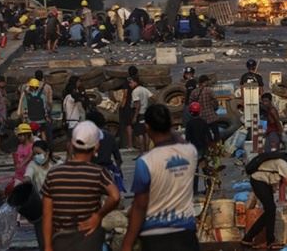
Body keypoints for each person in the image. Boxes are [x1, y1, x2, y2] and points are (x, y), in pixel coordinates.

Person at [121, 104, 200, 251]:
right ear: (170, 124)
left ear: (147, 127)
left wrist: (127, 243)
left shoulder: (145, 162)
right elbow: (180, 140)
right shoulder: (190, 152)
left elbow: (140, 205)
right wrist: (168, 127)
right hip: (186, 233)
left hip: (155, 236)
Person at [42, 121, 121, 251]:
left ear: (71, 145)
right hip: (89, 239)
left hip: (62, 240)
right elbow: (115, 196)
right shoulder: (98, 172)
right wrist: (98, 215)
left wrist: (48, 246)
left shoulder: (53, 173)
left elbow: (47, 214)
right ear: (96, 147)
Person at [240, 144, 287, 250]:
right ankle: (269, 241)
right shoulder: (283, 164)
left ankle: (248, 238)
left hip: (267, 183)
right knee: (271, 209)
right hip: (258, 180)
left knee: (270, 211)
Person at [89, 110, 125, 193]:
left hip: (92, 170)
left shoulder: (88, 137)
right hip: (108, 169)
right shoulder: (110, 137)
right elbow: (118, 158)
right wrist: (118, 171)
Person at [185, 102, 212, 195]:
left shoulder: (189, 124)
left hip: (194, 149)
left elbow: (187, 138)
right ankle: (209, 188)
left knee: (194, 171)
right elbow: (208, 135)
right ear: (199, 111)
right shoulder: (203, 122)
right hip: (203, 149)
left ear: (190, 112)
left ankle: (194, 190)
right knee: (205, 169)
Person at [128, 77, 152, 154]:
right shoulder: (144, 89)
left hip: (139, 114)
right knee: (146, 133)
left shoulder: (135, 92)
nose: (129, 85)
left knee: (139, 134)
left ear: (135, 82)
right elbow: (153, 97)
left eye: (131, 83)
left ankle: (141, 152)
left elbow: (137, 105)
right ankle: (147, 151)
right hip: (146, 113)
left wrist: (135, 117)